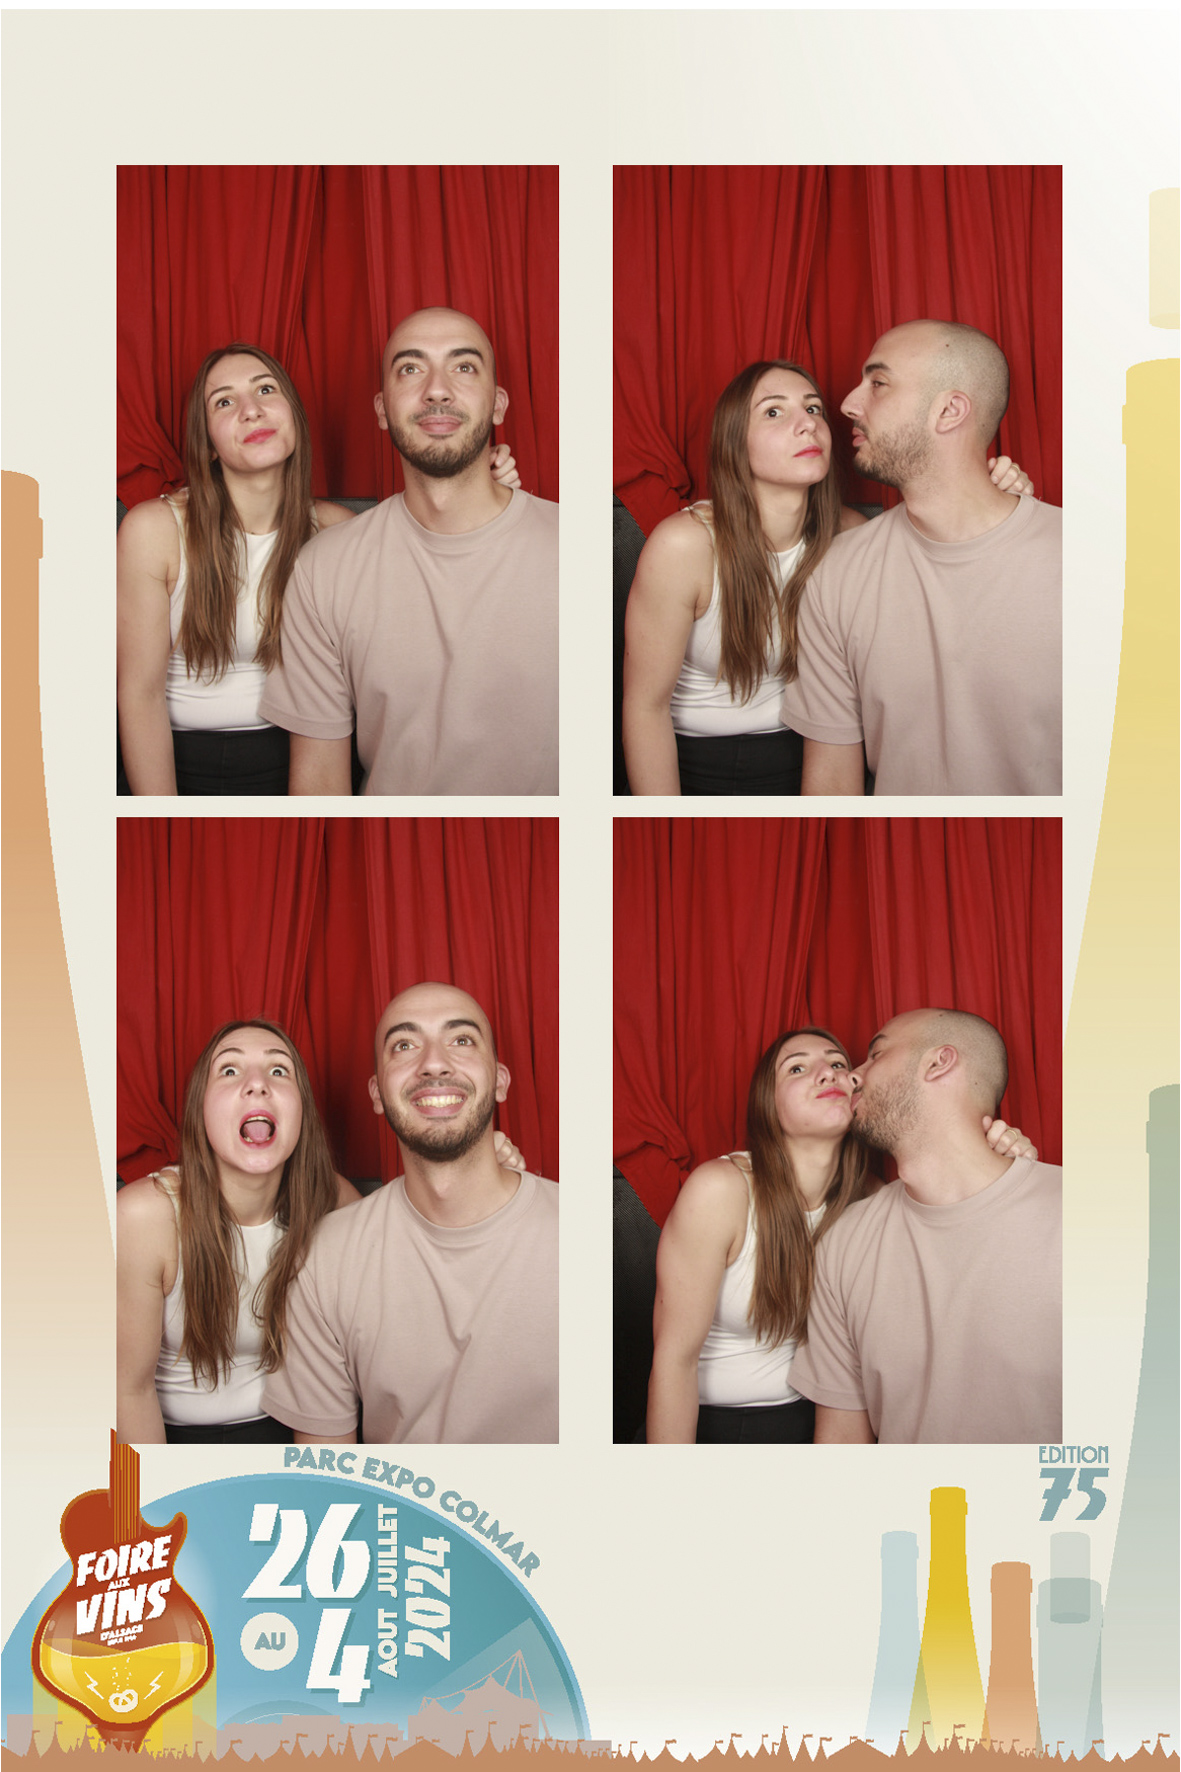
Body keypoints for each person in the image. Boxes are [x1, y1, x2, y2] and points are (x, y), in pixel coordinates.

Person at [116, 342, 520, 796]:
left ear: (293, 415)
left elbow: (436, 596)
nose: (251, 411)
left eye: (265, 390)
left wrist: (481, 490)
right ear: (207, 442)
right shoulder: (154, 530)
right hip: (183, 764)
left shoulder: (337, 530)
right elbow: (139, 695)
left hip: (312, 755)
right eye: (224, 402)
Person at [622, 358, 1031, 796]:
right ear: (734, 442)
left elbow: (947, 604)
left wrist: (994, 505)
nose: (807, 425)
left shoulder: (850, 535)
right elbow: (645, 707)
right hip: (698, 768)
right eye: (774, 412)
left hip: (822, 756)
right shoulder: (685, 545)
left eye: (813, 408)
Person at [646, 1026, 1037, 1443]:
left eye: (837, 1063)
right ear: (768, 1104)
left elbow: (956, 1275)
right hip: (718, 1427)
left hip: (833, 1422)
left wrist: (1001, 1166)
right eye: (797, 1069)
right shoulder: (721, 1190)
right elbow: (674, 1361)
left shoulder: (873, 1200)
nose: (828, 1073)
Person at [259, 308, 559, 796]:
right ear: (381, 409)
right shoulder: (322, 568)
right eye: (411, 368)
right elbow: (319, 784)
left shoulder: (576, 550)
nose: (437, 390)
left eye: (464, 367)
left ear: (498, 403)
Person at [263, 982, 558, 1443]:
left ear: (500, 1081)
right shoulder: (323, 1258)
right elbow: (325, 1468)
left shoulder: (585, 1234)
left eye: (462, 1040)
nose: (434, 1063)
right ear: (377, 1093)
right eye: (404, 1045)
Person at [782, 320, 1062, 795]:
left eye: (878, 383)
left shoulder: (1097, 567)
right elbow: (832, 785)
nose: (847, 404)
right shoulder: (835, 573)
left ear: (949, 411)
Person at [790, 1009, 1062, 1444]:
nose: (852, 1077)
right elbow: (841, 1442)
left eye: (876, 1054)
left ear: (939, 1062)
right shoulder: (843, 1242)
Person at [116, 1020, 358, 1443]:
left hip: (297, 1425)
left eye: (279, 1070)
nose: (257, 1084)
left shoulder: (334, 1203)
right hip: (170, 1438)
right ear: (201, 1109)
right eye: (229, 1070)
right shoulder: (143, 1216)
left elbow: (342, 1372)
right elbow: (127, 1391)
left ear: (302, 1109)